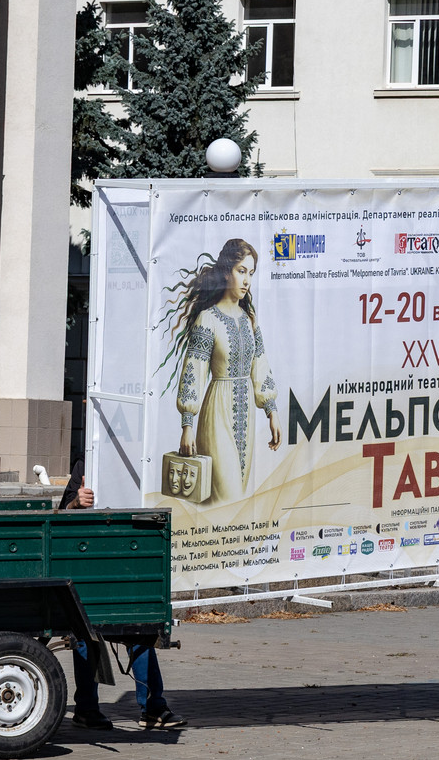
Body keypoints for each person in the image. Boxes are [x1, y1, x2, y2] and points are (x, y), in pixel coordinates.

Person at [57, 469, 185, 731]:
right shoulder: (87, 461)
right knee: (85, 637)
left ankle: (153, 707)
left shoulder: (146, 455)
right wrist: (75, 502)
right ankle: (87, 709)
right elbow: (62, 511)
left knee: (140, 633)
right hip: (89, 561)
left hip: (129, 556)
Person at [164, 238, 280, 503]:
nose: (247, 280)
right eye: (242, 271)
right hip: (216, 413)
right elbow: (193, 370)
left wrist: (271, 411)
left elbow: (259, 364)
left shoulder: (250, 319)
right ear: (227, 271)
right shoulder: (208, 319)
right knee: (226, 496)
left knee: (237, 498)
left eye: (251, 273)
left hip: (246, 416)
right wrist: (187, 425)